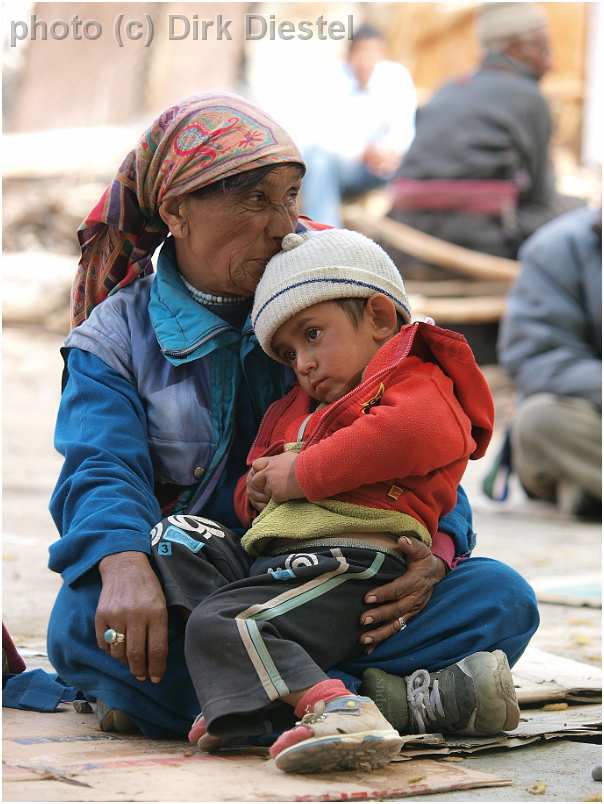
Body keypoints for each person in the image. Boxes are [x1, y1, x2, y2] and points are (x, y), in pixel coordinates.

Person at [47, 92, 538, 741]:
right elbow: (99, 468)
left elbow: (420, 431)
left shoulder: (333, 298)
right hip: (204, 588)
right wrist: (122, 563)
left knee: (499, 597)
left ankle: (243, 708)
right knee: (90, 624)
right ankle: (391, 701)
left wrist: (439, 549)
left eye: (289, 197)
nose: (283, 225)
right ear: (176, 212)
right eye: (255, 200)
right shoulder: (115, 339)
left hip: (336, 577)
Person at [157, 228, 519, 773]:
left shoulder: (414, 378)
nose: (301, 361)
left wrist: (302, 472)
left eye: (312, 335)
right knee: (175, 537)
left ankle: (339, 708)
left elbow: (417, 433)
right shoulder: (293, 405)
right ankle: (272, 697)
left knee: (221, 624)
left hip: (353, 562)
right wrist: (253, 491)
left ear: (377, 318)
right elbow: (258, 487)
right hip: (278, 564)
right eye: (287, 352)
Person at [390, 2, 580, 258]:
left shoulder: (449, 88)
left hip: (407, 228)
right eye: (543, 48)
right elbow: (540, 196)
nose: (551, 62)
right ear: (516, 48)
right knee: (579, 214)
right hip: (478, 235)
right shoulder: (528, 96)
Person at [494, 207, 601, 517]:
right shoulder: (557, 248)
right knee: (541, 420)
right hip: (589, 413)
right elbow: (536, 358)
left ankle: (588, 488)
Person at [301, 24, 416, 227]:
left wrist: (389, 154)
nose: (368, 61)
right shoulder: (330, 80)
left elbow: (404, 131)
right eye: (362, 53)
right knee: (318, 160)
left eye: (375, 53)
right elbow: (317, 137)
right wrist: (360, 153)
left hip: (389, 167)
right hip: (347, 168)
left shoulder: (396, 77)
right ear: (349, 55)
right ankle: (326, 237)